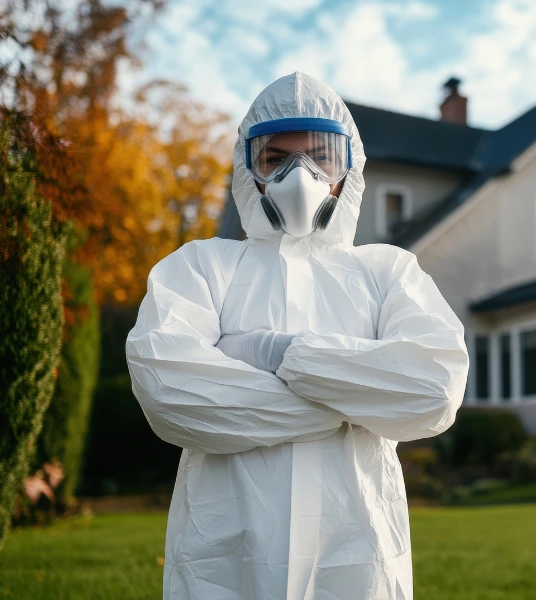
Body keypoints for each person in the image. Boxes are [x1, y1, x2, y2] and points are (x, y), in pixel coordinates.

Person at [125, 71, 469, 600]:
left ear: (348, 168)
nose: (299, 175)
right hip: (226, 560)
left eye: (319, 157)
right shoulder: (201, 267)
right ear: (250, 169)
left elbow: (433, 389)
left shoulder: (388, 273)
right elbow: (172, 394)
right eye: (275, 159)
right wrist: (355, 404)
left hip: (357, 556)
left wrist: (273, 351)